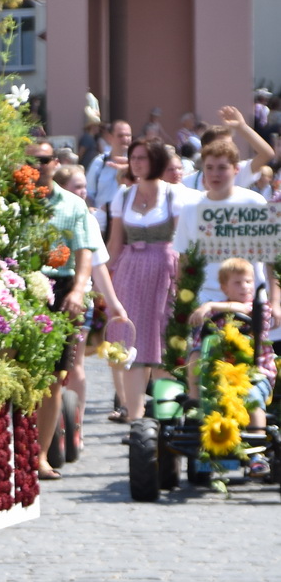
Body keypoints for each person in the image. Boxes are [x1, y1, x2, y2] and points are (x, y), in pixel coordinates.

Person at [29, 143, 125, 477]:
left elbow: (84, 250)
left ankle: (40, 455)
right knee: (17, 373)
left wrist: (79, 290)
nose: (36, 166)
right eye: (29, 161)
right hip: (19, 285)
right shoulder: (15, 201)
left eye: (42, 160)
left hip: (62, 285)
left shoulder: (71, 204)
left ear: (54, 163)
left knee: (56, 376)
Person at [106, 138, 185, 423]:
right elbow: (114, 244)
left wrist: (185, 281)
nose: (137, 162)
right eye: (133, 157)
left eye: (143, 157)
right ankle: (135, 417)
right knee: (132, 340)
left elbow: (183, 243)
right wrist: (104, 284)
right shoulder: (123, 196)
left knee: (163, 339)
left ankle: (167, 416)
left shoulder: (174, 195)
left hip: (165, 269)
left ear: (157, 161)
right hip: (131, 270)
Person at [54, 161, 127, 449]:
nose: (84, 192)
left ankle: (75, 424)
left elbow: (98, 268)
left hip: (78, 299)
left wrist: (114, 304)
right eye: (77, 186)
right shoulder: (60, 212)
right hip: (49, 293)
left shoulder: (88, 218)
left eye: (85, 186)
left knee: (76, 362)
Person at [184, 257, 273, 476]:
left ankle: (257, 454)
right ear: (224, 287)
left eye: (248, 282)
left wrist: (210, 305)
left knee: (251, 397)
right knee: (195, 353)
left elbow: (243, 308)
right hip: (217, 378)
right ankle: (195, 406)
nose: (245, 287)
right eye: (237, 283)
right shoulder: (214, 317)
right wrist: (199, 319)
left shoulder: (259, 309)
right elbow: (200, 343)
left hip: (255, 374)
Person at [175, 138, 274, 302]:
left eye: (222, 168)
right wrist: (181, 302)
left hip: (249, 299)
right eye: (209, 168)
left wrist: (276, 301)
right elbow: (183, 260)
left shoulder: (255, 203)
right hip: (204, 298)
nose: (215, 174)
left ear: (236, 169)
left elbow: (272, 258)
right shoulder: (190, 207)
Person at [181, 106, 274, 192]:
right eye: (223, 145)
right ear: (205, 149)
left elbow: (267, 154)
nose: (229, 149)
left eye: (231, 144)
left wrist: (242, 127)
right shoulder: (187, 182)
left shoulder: (238, 172)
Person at [86, 118, 132, 217]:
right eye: (120, 136)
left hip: (127, 218)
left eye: (128, 135)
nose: (125, 139)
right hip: (102, 219)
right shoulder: (99, 162)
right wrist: (90, 208)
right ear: (110, 138)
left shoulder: (136, 163)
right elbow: (88, 193)